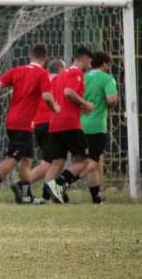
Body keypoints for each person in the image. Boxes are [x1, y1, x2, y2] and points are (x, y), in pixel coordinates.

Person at [0, 43, 60, 204]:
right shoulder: (42, 74)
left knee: (27, 159)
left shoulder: (18, 70)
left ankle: (26, 196)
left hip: (15, 120)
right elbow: (46, 96)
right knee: (12, 158)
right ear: (45, 59)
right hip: (22, 123)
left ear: (30, 55)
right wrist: (55, 107)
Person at [43, 47, 94, 203]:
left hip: (55, 123)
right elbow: (68, 93)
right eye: (89, 61)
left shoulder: (60, 76)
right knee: (84, 161)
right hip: (70, 124)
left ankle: (47, 197)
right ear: (83, 59)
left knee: (57, 162)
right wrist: (86, 103)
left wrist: (81, 107)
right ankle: (58, 185)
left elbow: (59, 97)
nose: (89, 65)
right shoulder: (75, 73)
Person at [12, 59, 67, 203]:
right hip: (51, 124)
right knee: (51, 163)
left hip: (37, 124)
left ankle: (34, 188)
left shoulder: (43, 79)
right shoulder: (61, 81)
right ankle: (27, 186)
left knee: (49, 161)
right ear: (61, 69)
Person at [79, 51, 117, 204]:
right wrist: (112, 104)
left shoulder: (82, 77)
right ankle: (62, 182)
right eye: (108, 65)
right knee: (93, 162)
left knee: (95, 160)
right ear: (104, 64)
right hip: (96, 126)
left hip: (79, 125)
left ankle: (96, 197)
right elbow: (111, 99)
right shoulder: (107, 79)